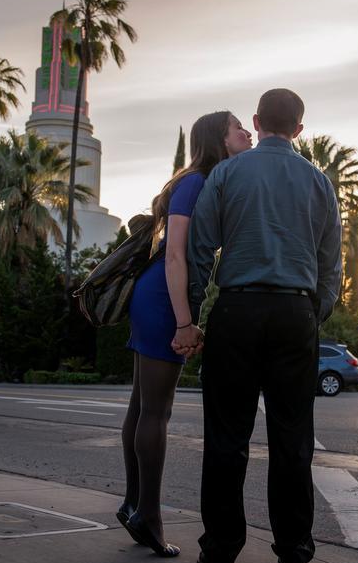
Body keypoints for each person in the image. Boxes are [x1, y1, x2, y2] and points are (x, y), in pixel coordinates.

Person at [188, 89, 342, 563]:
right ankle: (294, 546)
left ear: (256, 122)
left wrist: (193, 316)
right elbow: (331, 266)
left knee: (225, 438)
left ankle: (221, 546)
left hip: (236, 312)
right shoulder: (319, 183)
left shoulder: (228, 173)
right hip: (294, 314)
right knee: (293, 439)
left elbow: (198, 249)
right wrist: (312, 314)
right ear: (299, 129)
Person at [119, 110, 252, 557]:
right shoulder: (195, 182)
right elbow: (175, 256)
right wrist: (184, 322)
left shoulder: (203, 180)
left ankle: (133, 502)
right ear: (219, 137)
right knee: (156, 412)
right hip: (163, 300)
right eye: (238, 126)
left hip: (159, 297)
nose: (246, 132)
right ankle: (149, 516)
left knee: (142, 406)